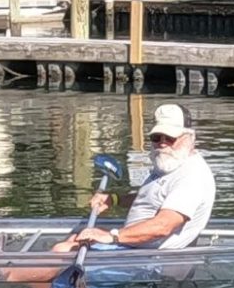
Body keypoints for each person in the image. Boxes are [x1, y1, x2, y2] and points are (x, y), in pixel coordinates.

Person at [59, 103, 215, 252]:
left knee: (64, 250)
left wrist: (112, 236)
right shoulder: (170, 164)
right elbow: (153, 199)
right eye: (156, 137)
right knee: (74, 238)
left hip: (151, 262)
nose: (162, 144)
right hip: (133, 247)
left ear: (189, 138)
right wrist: (114, 199)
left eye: (170, 138)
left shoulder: (191, 177)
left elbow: (163, 226)